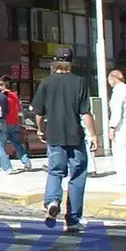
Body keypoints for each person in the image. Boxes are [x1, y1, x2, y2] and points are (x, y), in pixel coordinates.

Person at [31, 46, 97, 231]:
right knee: (77, 176)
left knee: (55, 172)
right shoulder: (80, 82)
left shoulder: (46, 83)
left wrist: (41, 130)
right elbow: (85, 112)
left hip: (54, 136)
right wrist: (93, 135)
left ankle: (52, 201)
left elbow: (39, 113)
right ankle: (73, 220)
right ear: (71, 62)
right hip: (75, 136)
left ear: (55, 62)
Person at [108, 70, 126, 186]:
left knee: (119, 152)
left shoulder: (118, 91)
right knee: (125, 150)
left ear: (113, 79)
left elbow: (117, 110)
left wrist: (112, 127)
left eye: (109, 80)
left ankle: (123, 179)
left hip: (122, 123)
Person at [0, 77, 32, 171]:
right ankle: (26, 161)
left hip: (5, 122)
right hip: (15, 122)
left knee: (0, 145)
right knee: (17, 144)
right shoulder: (15, 95)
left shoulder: (3, 96)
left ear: (4, 85)